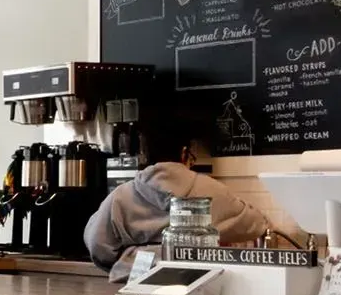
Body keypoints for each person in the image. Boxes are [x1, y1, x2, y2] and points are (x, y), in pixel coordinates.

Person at [83, 112, 270, 280]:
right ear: (184, 153)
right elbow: (257, 225)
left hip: (134, 282)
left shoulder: (121, 196)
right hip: (196, 283)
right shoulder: (212, 191)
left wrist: (132, 256)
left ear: (144, 153)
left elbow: (97, 244)